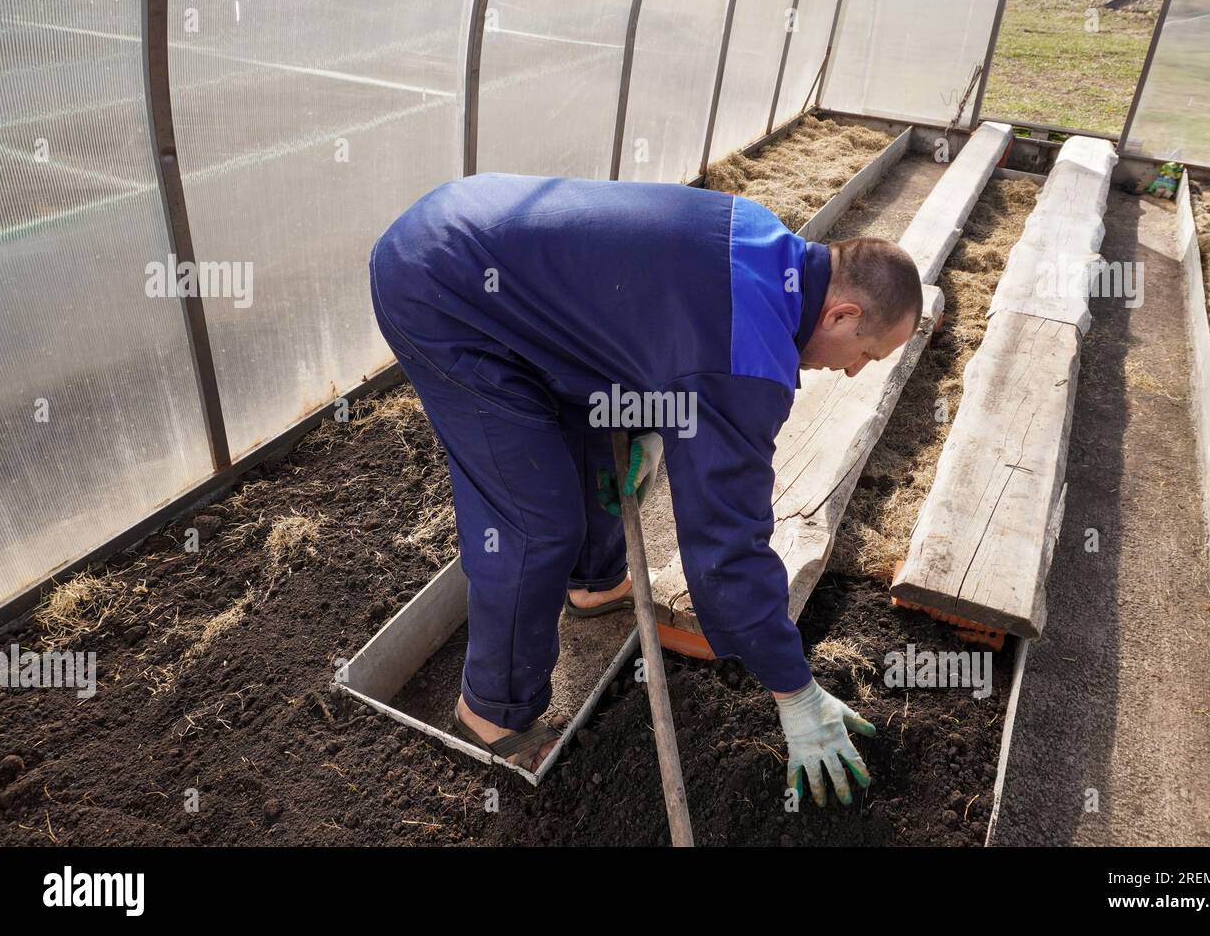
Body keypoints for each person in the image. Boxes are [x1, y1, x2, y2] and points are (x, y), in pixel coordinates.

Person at [370, 173, 923, 804]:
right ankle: (492, 710)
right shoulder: (747, 357)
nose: (853, 371)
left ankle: (595, 582)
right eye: (867, 355)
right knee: (533, 522)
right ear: (843, 313)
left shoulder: (766, 244)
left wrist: (649, 425)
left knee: (594, 437)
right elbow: (727, 545)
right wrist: (794, 690)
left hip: (489, 244)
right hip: (444, 289)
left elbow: (645, 320)